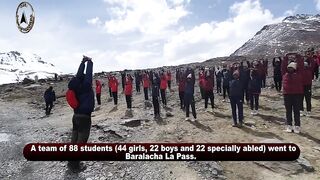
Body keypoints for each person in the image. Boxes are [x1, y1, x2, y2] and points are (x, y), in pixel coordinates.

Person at [67, 56, 94, 172]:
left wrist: (82, 62)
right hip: (84, 117)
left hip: (76, 116)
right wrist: (90, 63)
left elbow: (79, 75)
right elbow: (88, 74)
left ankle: (71, 161)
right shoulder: (86, 86)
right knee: (81, 141)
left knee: (74, 139)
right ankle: (75, 165)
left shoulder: (76, 85)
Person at [282, 53, 304, 133]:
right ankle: (289, 125)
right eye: (289, 67)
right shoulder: (285, 74)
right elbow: (283, 66)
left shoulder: (299, 73)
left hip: (297, 94)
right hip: (287, 94)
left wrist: (297, 56)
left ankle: (297, 126)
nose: (290, 68)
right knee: (288, 111)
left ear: (295, 68)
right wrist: (285, 57)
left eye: (292, 67)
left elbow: (301, 66)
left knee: (296, 111)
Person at [301, 49, 316, 116]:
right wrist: (301, 58)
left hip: (308, 85)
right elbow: (298, 63)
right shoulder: (300, 71)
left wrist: (309, 57)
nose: (305, 66)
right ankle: (301, 110)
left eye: (305, 65)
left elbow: (312, 63)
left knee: (308, 99)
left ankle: (308, 111)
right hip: (301, 86)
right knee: (300, 98)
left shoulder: (310, 69)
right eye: (304, 65)